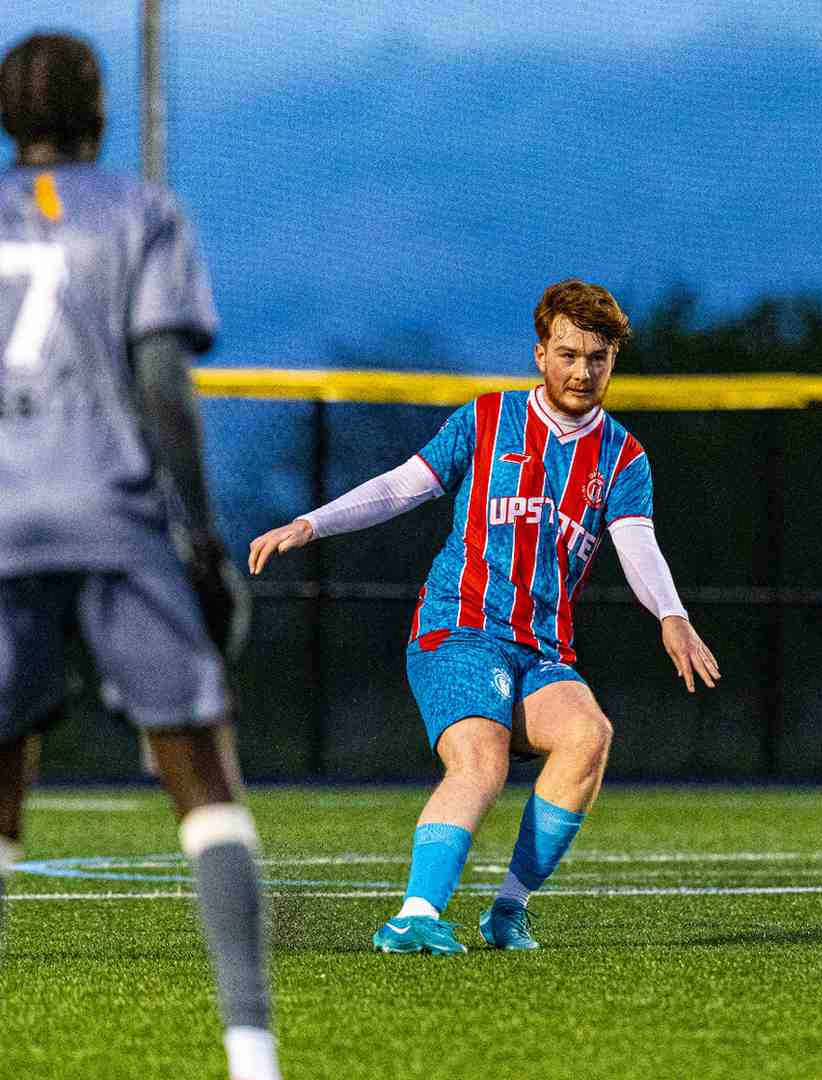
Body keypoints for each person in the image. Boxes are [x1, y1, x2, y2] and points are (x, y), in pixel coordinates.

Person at [249, 278, 720, 954]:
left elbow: (637, 544)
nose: (583, 371)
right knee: (481, 759)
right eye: (568, 354)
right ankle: (414, 915)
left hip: (542, 650)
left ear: (613, 360)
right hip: (458, 631)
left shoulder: (622, 456)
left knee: (589, 735)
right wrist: (310, 524)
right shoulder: (487, 419)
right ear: (540, 354)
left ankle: (507, 912)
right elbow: (402, 486)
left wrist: (671, 614)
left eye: (598, 357)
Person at [0, 33, 280, 1080]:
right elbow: (163, 383)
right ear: (102, 114)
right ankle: (252, 1058)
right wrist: (201, 539)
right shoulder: (141, 210)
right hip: (111, 511)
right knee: (203, 775)